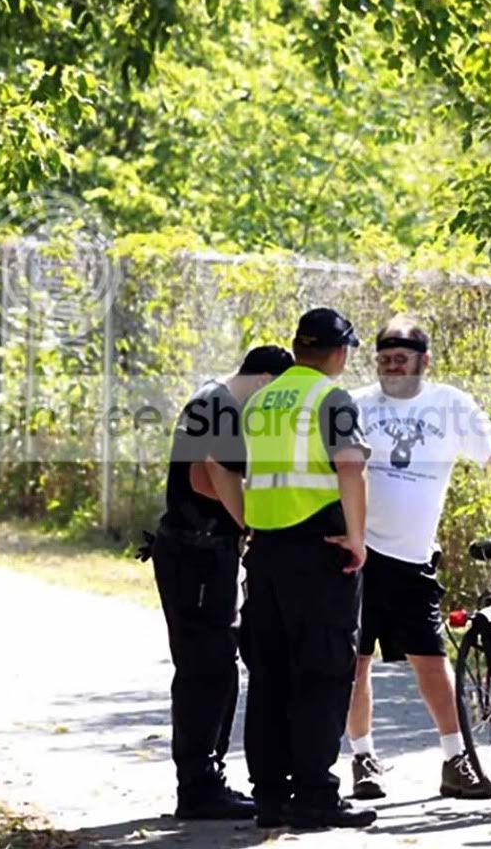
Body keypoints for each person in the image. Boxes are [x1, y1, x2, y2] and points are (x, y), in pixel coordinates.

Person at [346, 315, 491, 801]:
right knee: (356, 663)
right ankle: (362, 758)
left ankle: (457, 760)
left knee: (432, 662)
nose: (392, 368)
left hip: (413, 559)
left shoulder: (450, 405)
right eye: (384, 360)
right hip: (359, 554)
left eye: (401, 359)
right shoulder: (353, 405)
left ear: (425, 361)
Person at [240, 308, 377, 830]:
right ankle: (316, 797)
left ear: (298, 347)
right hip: (320, 549)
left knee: (271, 674)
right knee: (321, 672)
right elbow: (350, 467)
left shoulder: (260, 402)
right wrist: (358, 540)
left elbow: (234, 470)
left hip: (267, 551)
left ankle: (271, 797)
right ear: (340, 353)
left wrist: (250, 525)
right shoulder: (331, 399)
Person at [151, 344, 294, 820]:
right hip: (195, 553)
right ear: (267, 378)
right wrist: (252, 524)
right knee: (205, 669)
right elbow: (205, 475)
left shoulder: (216, 399)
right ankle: (198, 787)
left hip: (202, 553)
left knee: (216, 664)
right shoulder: (218, 404)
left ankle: (206, 777)